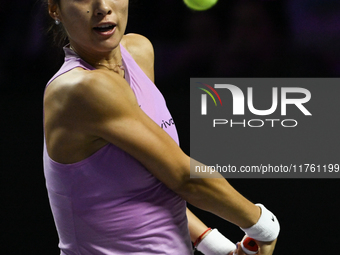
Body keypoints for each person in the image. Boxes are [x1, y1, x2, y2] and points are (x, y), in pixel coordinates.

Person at [43, 0, 279, 254]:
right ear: (55, 9)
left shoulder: (137, 52)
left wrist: (216, 247)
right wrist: (263, 225)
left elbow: (157, 181)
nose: (103, 6)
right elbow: (184, 178)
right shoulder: (82, 88)